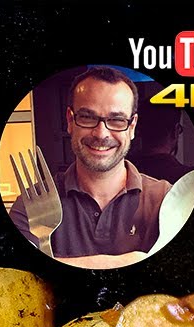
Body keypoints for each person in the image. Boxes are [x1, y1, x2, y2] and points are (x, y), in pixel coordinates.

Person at [10, 66, 172, 264]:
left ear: (132, 127)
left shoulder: (169, 201)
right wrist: (125, 261)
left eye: (117, 120)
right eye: (88, 117)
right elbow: (22, 279)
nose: (101, 134)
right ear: (70, 121)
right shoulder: (29, 208)